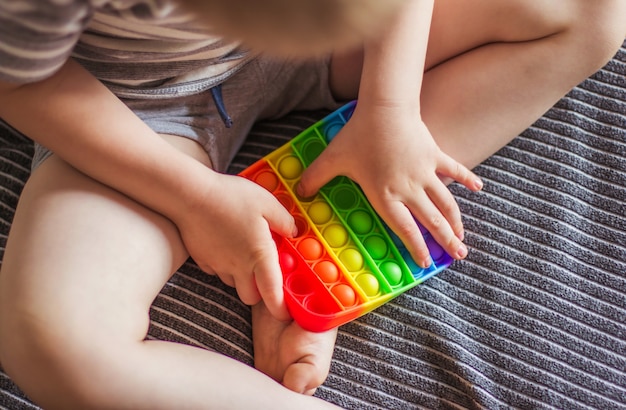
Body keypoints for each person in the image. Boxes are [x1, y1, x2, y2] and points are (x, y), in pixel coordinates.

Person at [0, 0, 624, 408]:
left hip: (322, 33)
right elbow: (17, 78)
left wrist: (391, 109)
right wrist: (191, 196)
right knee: (52, 340)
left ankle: (331, 247)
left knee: (592, 11)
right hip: (129, 107)